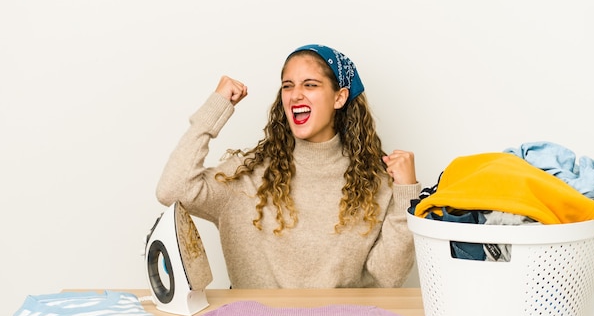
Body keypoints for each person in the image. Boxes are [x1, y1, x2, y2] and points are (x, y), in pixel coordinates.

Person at [156, 44, 422, 289]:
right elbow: (173, 190)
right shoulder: (245, 177)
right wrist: (216, 107)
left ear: (339, 98)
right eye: (287, 86)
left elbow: (388, 279)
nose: (295, 95)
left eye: (310, 85)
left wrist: (406, 195)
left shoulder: (376, 182)